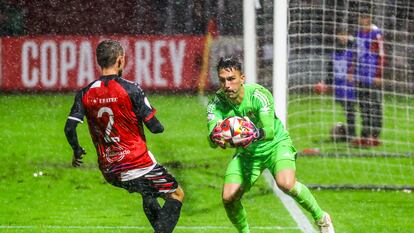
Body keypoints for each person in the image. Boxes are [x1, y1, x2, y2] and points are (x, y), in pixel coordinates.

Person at [64, 40, 184, 233]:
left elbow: (69, 128)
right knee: (176, 194)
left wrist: (77, 150)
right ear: (120, 60)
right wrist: (153, 118)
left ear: (98, 61)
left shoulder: (85, 93)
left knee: (148, 194)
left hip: (110, 170)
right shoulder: (130, 88)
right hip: (137, 164)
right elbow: (155, 128)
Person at [206, 56, 335, 233]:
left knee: (286, 183)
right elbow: (212, 136)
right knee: (228, 197)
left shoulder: (259, 95)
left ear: (242, 78)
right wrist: (215, 138)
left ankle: (321, 218)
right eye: (222, 80)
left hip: (276, 145)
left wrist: (252, 133)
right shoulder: (216, 103)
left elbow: (269, 131)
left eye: (231, 79)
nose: (227, 85)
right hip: (247, 154)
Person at [352, 8, 385, 147]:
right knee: (363, 106)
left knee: (375, 105)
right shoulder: (359, 34)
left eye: (365, 17)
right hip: (361, 76)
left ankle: (375, 135)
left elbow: (382, 55)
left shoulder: (376, 33)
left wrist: (378, 74)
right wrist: (352, 72)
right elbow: (355, 55)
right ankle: (365, 135)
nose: (362, 19)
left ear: (370, 18)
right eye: (361, 17)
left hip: (372, 76)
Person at [317, 26, 357, 142]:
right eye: (340, 34)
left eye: (345, 34)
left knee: (352, 111)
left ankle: (355, 135)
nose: (343, 37)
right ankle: (349, 134)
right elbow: (330, 69)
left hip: (351, 86)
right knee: (348, 111)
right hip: (340, 86)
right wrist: (326, 82)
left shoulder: (353, 48)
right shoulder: (335, 50)